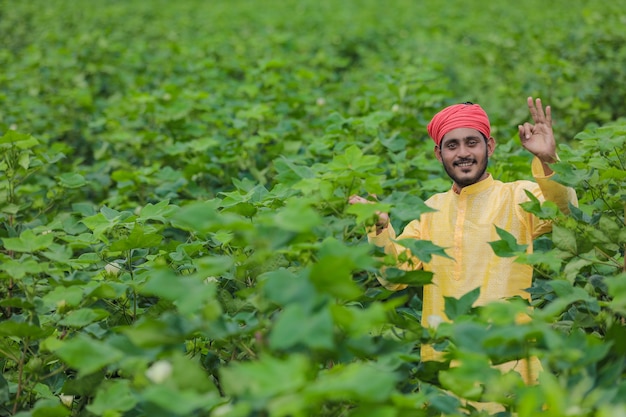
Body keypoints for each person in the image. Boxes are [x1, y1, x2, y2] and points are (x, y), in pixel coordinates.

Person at [349, 96, 578, 385]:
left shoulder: (516, 197)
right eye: (452, 145)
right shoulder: (429, 211)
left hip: (510, 368)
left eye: (472, 142)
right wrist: (379, 228)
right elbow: (394, 275)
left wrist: (547, 160)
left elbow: (566, 211)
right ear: (438, 153)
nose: (463, 153)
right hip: (447, 370)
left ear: (489, 146)